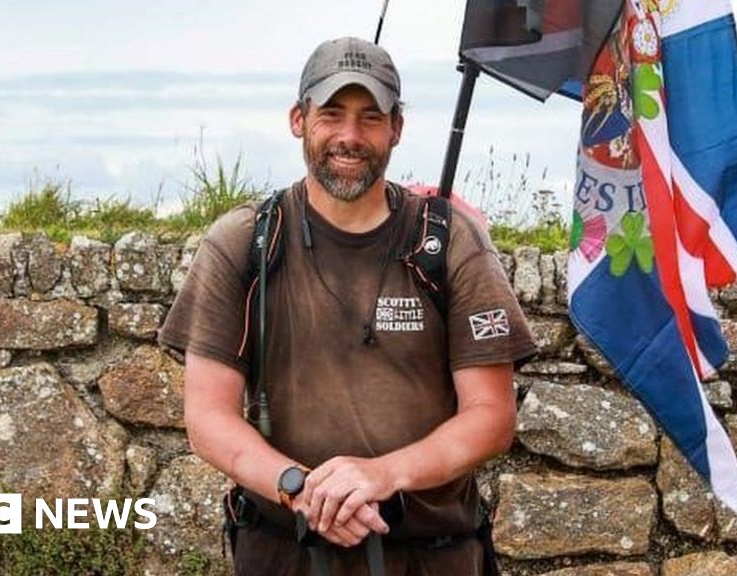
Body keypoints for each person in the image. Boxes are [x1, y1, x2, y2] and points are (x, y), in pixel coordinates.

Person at [159, 36, 537, 576]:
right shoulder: (245, 242)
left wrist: (382, 475)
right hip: (284, 553)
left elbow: (491, 416)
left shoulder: (450, 242)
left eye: (371, 118)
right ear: (299, 119)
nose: (350, 136)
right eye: (331, 114)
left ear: (396, 128)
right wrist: (301, 489)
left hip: (430, 557)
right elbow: (207, 416)